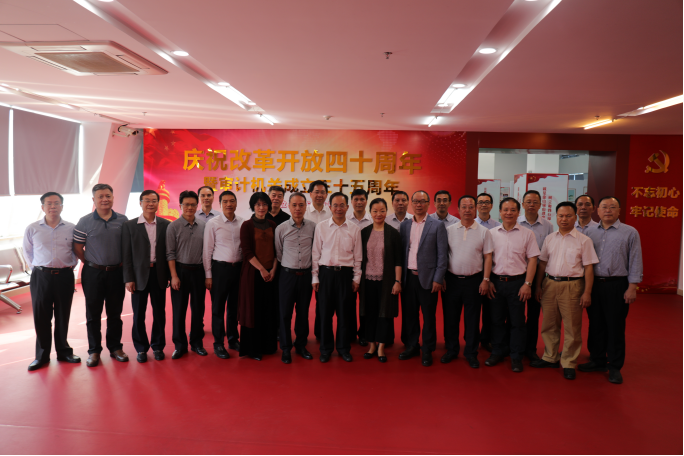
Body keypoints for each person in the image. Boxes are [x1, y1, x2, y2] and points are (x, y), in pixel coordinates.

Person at [532, 202, 598, 380]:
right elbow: (542, 264)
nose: (564, 219)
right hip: (549, 284)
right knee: (549, 324)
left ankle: (568, 362)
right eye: (561, 216)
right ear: (556, 217)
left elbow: (589, 268)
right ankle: (550, 357)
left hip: (572, 286)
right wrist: (538, 286)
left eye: (568, 216)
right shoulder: (549, 238)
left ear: (575, 217)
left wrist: (587, 292)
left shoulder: (584, 240)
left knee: (572, 327)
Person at [580, 197, 643, 384]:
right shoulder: (589, 232)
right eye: (604, 207)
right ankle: (597, 359)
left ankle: (614, 366)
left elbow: (635, 259)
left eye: (612, 207)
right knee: (595, 323)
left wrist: (632, 287)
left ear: (619, 211)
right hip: (594, 284)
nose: (608, 210)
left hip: (617, 284)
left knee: (615, 325)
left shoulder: (630, 232)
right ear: (598, 211)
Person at [74, 183, 129, 368]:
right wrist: (90, 262)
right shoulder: (84, 221)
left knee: (115, 313)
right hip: (93, 273)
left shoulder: (123, 220)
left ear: (113, 198)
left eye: (108, 196)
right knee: (93, 314)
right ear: (94, 199)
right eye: (100, 196)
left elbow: (127, 247)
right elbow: (77, 247)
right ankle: (94, 351)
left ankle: (115, 348)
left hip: (116, 273)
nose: (104, 199)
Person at [23, 192, 80, 371]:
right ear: (42, 207)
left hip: (64, 276)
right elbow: (27, 252)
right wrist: (38, 269)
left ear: (62, 206)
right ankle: (41, 356)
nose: (53, 206)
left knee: (63, 315)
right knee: (41, 317)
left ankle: (64, 352)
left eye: (56, 203)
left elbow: (76, 250)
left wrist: (69, 266)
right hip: (41, 277)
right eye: (49, 203)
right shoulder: (32, 228)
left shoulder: (71, 228)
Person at [485, 197, 540, 373]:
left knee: (517, 322)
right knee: (496, 320)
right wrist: (488, 280)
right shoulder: (491, 233)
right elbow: (487, 259)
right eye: (505, 210)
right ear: (500, 212)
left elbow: (532, 260)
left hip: (518, 283)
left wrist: (528, 284)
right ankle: (497, 351)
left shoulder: (527, 234)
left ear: (518, 212)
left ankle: (516, 356)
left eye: (513, 210)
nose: (509, 213)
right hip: (496, 283)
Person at [442, 195, 493, 369]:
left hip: (474, 281)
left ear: (475, 208)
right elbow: (443, 255)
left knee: (472, 319)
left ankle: (471, 353)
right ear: (458, 209)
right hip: (452, 280)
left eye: (471, 206)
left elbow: (488, 257)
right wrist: (442, 277)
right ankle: (451, 350)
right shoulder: (449, 230)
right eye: (464, 206)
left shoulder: (484, 231)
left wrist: (485, 279)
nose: (467, 210)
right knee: (450, 318)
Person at [312, 192, 362, 363]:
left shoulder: (354, 229)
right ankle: (325, 349)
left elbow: (358, 257)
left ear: (347, 207)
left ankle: (343, 348)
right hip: (325, 274)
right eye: (335, 205)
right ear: (330, 206)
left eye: (342, 205)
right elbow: (315, 254)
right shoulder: (321, 227)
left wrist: (356, 278)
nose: (338, 208)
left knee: (344, 314)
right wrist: (315, 277)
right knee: (324, 314)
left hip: (346, 276)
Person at [399, 190, 448, 367]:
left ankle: (427, 349)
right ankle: (412, 345)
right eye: (416, 201)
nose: (419, 205)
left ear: (428, 204)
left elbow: (442, 255)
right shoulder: (405, 225)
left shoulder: (437, 225)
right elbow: (403, 252)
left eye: (422, 201)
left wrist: (438, 279)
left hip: (428, 279)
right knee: (409, 315)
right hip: (408, 278)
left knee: (428, 316)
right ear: (411, 203)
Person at [122, 190, 171, 363]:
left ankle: (158, 346)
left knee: (159, 313)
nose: (151, 203)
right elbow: (126, 254)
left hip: (159, 274)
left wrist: (170, 275)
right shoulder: (129, 225)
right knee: (138, 314)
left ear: (158, 203)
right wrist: (128, 278)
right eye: (147, 200)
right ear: (140, 203)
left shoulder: (166, 225)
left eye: (154, 200)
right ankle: (141, 348)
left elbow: (169, 252)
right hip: (138, 276)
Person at [359, 198, 402, 363]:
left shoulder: (393, 233)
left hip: (387, 281)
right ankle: (371, 345)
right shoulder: (364, 232)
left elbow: (398, 260)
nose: (379, 214)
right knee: (369, 313)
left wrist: (397, 281)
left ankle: (382, 346)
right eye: (375, 211)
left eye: (382, 210)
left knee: (385, 313)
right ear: (370, 212)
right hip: (367, 281)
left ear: (386, 211)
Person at [167, 190, 207, 360]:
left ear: (197, 206)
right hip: (180, 272)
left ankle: (197, 343)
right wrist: (174, 276)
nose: (189, 207)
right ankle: (179, 345)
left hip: (199, 271)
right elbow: (170, 253)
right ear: (180, 206)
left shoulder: (204, 226)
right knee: (179, 310)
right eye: (186, 204)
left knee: (198, 309)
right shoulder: (173, 226)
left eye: (192, 204)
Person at [275, 192, 315, 364]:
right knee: (285, 313)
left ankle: (301, 345)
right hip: (287, 276)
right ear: (289, 206)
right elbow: (279, 253)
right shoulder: (281, 228)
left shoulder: (313, 227)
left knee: (303, 313)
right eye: (294, 205)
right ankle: (285, 348)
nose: (298, 208)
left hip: (306, 276)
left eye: (301, 205)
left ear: (306, 207)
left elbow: (315, 250)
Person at [238, 192, 279, 360]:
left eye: (264, 204)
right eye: (258, 204)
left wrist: (273, 270)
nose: (261, 208)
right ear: (253, 207)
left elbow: (277, 250)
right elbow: (247, 252)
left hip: (271, 275)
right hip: (253, 274)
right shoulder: (246, 225)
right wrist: (262, 270)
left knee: (269, 310)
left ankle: (268, 346)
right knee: (253, 311)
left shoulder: (273, 224)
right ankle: (253, 349)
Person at [203, 190, 243, 359]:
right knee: (218, 308)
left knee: (234, 307)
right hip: (219, 270)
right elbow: (207, 250)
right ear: (220, 204)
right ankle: (218, 343)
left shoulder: (242, 222)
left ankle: (233, 339)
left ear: (236, 203)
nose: (229, 204)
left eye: (232, 201)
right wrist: (208, 275)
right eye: (225, 201)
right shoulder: (213, 223)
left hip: (238, 269)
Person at [518, 190, 554, 362]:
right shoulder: (515, 221)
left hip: (538, 275)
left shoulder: (548, 226)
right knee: (515, 314)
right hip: (517, 274)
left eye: (535, 202)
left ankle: (530, 349)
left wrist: (538, 283)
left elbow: (548, 253)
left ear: (540, 204)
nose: (531, 205)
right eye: (528, 201)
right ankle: (513, 346)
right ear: (523, 204)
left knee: (533, 315)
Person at [305, 180, 332, 342]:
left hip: (324, 264)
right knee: (303, 303)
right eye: (316, 192)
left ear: (326, 195)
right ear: (310, 194)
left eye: (323, 192)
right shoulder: (303, 212)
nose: (319, 195)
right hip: (304, 263)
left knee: (323, 301)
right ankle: (302, 336)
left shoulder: (331, 213)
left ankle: (321, 333)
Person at [475, 192, 501, 353]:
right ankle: (472, 339)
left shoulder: (498, 226)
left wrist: (489, 277)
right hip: (475, 272)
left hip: (493, 274)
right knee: (474, 309)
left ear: (491, 206)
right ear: (476, 206)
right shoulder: (472, 224)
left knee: (490, 309)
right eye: (480, 202)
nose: (483, 205)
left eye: (487, 202)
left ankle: (486, 339)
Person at [347, 188, 372, 346]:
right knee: (349, 303)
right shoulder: (345, 220)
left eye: (362, 199)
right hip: (349, 266)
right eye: (356, 199)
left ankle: (364, 333)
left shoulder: (373, 220)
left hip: (369, 266)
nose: (359, 202)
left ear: (366, 201)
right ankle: (350, 333)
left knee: (365, 303)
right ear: (351, 202)